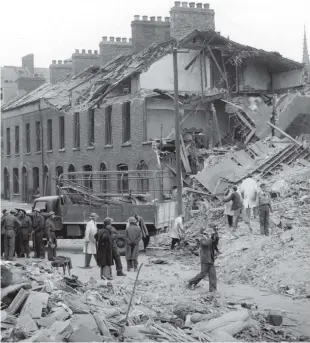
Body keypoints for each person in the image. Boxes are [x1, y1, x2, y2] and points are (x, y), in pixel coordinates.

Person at [187, 227, 217, 292]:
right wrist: (210, 238)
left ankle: (213, 289)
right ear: (207, 234)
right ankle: (192, 282)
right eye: (211, 234)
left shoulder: (210, 239)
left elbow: (214, 244)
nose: (212, 235)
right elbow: (205, 244)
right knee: (203, 274)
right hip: (205, 260)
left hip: (210, 259)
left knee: (213, 274)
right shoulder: (202, 239)